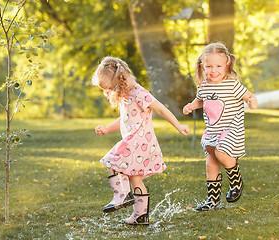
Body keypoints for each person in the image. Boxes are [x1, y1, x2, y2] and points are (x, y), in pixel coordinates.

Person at [93, 56, 190, 225]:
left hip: (139, 141)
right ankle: (140, 216)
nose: (109, 92)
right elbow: (125, 119)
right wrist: (108, 129)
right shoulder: (125, 94)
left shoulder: (139, 93)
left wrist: (179, 126)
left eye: (110, 88)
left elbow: (161, 109)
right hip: (135, 142)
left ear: (119, 79)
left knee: (111, 161)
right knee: (135, 178)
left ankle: (122, 196)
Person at [183, 42, 257, 211]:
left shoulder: (232, 84)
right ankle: (212, 201)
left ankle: (236, 181)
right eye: (209, 66)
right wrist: (191, 106)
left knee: (221, 151)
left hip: (231, 129)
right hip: (213, 130)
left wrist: (252, 102)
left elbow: (249, 96)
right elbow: (201, 100)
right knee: (211, 162)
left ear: (227, 65)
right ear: (202, 66)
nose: (213, 70)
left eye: (218, 66)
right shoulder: (203, 85)